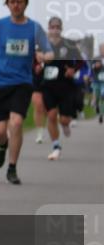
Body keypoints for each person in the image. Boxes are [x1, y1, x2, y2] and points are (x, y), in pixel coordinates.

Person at [0, 0, 50, 183]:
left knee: (17, 123)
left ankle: (12, 167)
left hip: (22, 82)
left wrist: (43, 56)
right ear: (8, 4)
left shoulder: (34, 28)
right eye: (12, 2)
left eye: (19, 1)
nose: (16, 5)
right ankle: (2, 145)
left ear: (25, 3)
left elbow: (50, 52)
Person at [41, 17, 84, 160]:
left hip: (65, 86)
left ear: (61, 28)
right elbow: (35, 59)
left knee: (64, 119)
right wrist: (36, 66)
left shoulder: (69, 44)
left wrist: (73, 70)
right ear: (48, 28)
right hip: (48, 85)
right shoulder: (43, 44)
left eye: (57, 27)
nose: (55, 30)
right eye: (52, 27)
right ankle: (56, 146)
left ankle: (65, 124)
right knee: (51, 115)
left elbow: (81, 61)